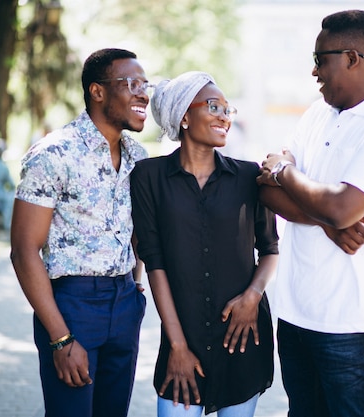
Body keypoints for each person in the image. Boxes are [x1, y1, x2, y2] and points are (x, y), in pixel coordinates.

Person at [256, 10, 364, 417]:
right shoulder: (318, 114)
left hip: (354, 325)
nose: (314, 72)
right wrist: (326, 222)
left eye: (320, 60)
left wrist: (286, 170)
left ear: (352, 58)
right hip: (295, 315)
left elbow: (341, 205)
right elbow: (265, 190)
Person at [10, 48, 151, 417]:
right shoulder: (54, 153)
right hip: (71, 308)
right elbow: (24, 250)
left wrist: (134, 288)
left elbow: (136, 233)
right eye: (131, 83)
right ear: (97, 92)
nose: (143, 94)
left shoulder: (139, 158)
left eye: (145, 85)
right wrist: (60, 338)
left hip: (124, 304)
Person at [130, 71, 279, 416]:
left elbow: (270, 249)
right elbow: (154, 263)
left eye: (228, 110)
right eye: (214, 106)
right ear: (184, 116)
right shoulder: (149, 177)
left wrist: (253, 296)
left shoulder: (248, 176)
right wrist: (177, 347)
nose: (224, 117)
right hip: (183, 341)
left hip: (243, 337)